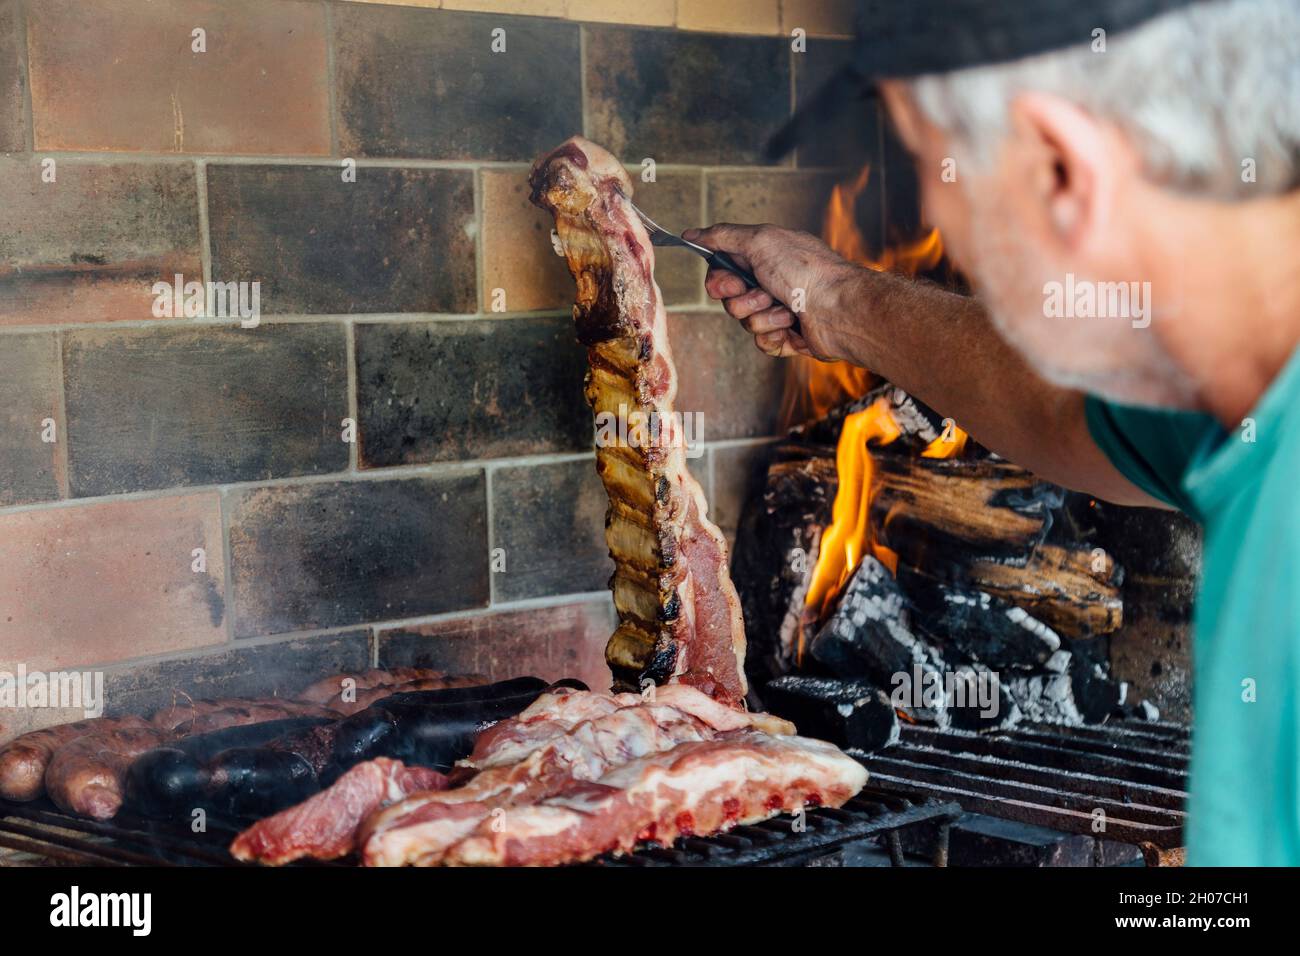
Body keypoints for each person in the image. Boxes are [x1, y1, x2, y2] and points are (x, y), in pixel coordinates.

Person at [684, 0, 1300, 866]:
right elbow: (1064, 415)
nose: (935, 206)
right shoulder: (1241, 392)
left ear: (1065, 168)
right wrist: (835, 299)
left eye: (942, 168)